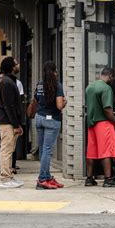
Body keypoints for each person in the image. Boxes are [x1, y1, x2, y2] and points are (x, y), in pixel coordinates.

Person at [85, 67, 115, 187]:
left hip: (91, 123)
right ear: (110, 76)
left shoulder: (90, 87)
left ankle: (89, 178)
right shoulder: (106, 88)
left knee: (91, 152)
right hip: (104, 123)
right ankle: (108, 179)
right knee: (106, 151)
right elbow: (107, 109)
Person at [35, 61, 67, 190]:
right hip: (52, 120)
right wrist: (65, 102)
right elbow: (59, 105)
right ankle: (42, 179)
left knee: (43, 150)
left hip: (39, 118)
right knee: (47, 151)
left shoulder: (39, 85)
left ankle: (47, 176)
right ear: (54, 72)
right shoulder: (57, 85)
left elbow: (36, 100)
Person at [0, 57, 24, 188]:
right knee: (6, 149)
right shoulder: (7, 83)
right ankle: (5, 178)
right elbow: (8, 106)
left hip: (9, 121)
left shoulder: (9, 81)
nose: (18, 65)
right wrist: (16, 125)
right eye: (16, 63)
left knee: (9, 149)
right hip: (7, 121)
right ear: (12, 67)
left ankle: (9, 176)